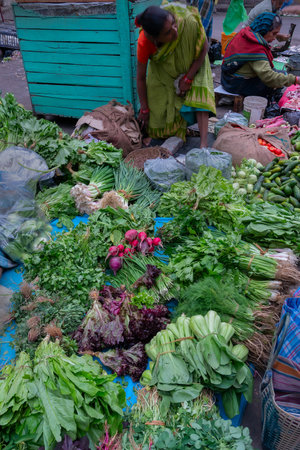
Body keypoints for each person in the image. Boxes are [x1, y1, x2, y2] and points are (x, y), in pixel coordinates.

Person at [136, 3, 216, 148]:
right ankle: (176, 131)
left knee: (199, 89)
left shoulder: (187, 22)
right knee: (160, 98)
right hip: (164, 68)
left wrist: (188, 77)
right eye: (167, 32)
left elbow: (204, 47)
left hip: (196, 58)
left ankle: (204, 145)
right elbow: (141, 78)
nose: (175, 32)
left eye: (174, 24)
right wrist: (145, 109)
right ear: (156, 38)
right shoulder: (144, 43)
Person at [221, 13, 300, 99]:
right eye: (274, 33)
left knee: (280, 74)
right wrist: (295, 80)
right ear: (264, 30)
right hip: (235, 85)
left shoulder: (247, 32)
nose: (274, 38)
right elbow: (269, 77)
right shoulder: (255, 48)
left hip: (226, 78)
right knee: (275, 83)